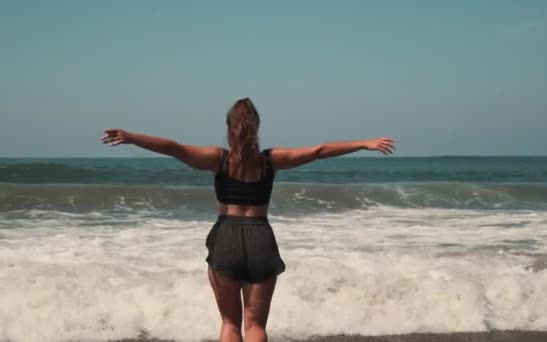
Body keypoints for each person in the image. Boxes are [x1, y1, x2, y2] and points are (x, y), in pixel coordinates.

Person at [100, 98, 396, 342]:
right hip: (260, 239)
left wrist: (132, 137)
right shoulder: (271, 160)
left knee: (230, 324)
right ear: (257, 129)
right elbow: (319, 151)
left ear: (229, 128)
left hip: (226, 237)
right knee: (254, 326)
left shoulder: (218, 159)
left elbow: (174, 148)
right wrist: (363, 143)